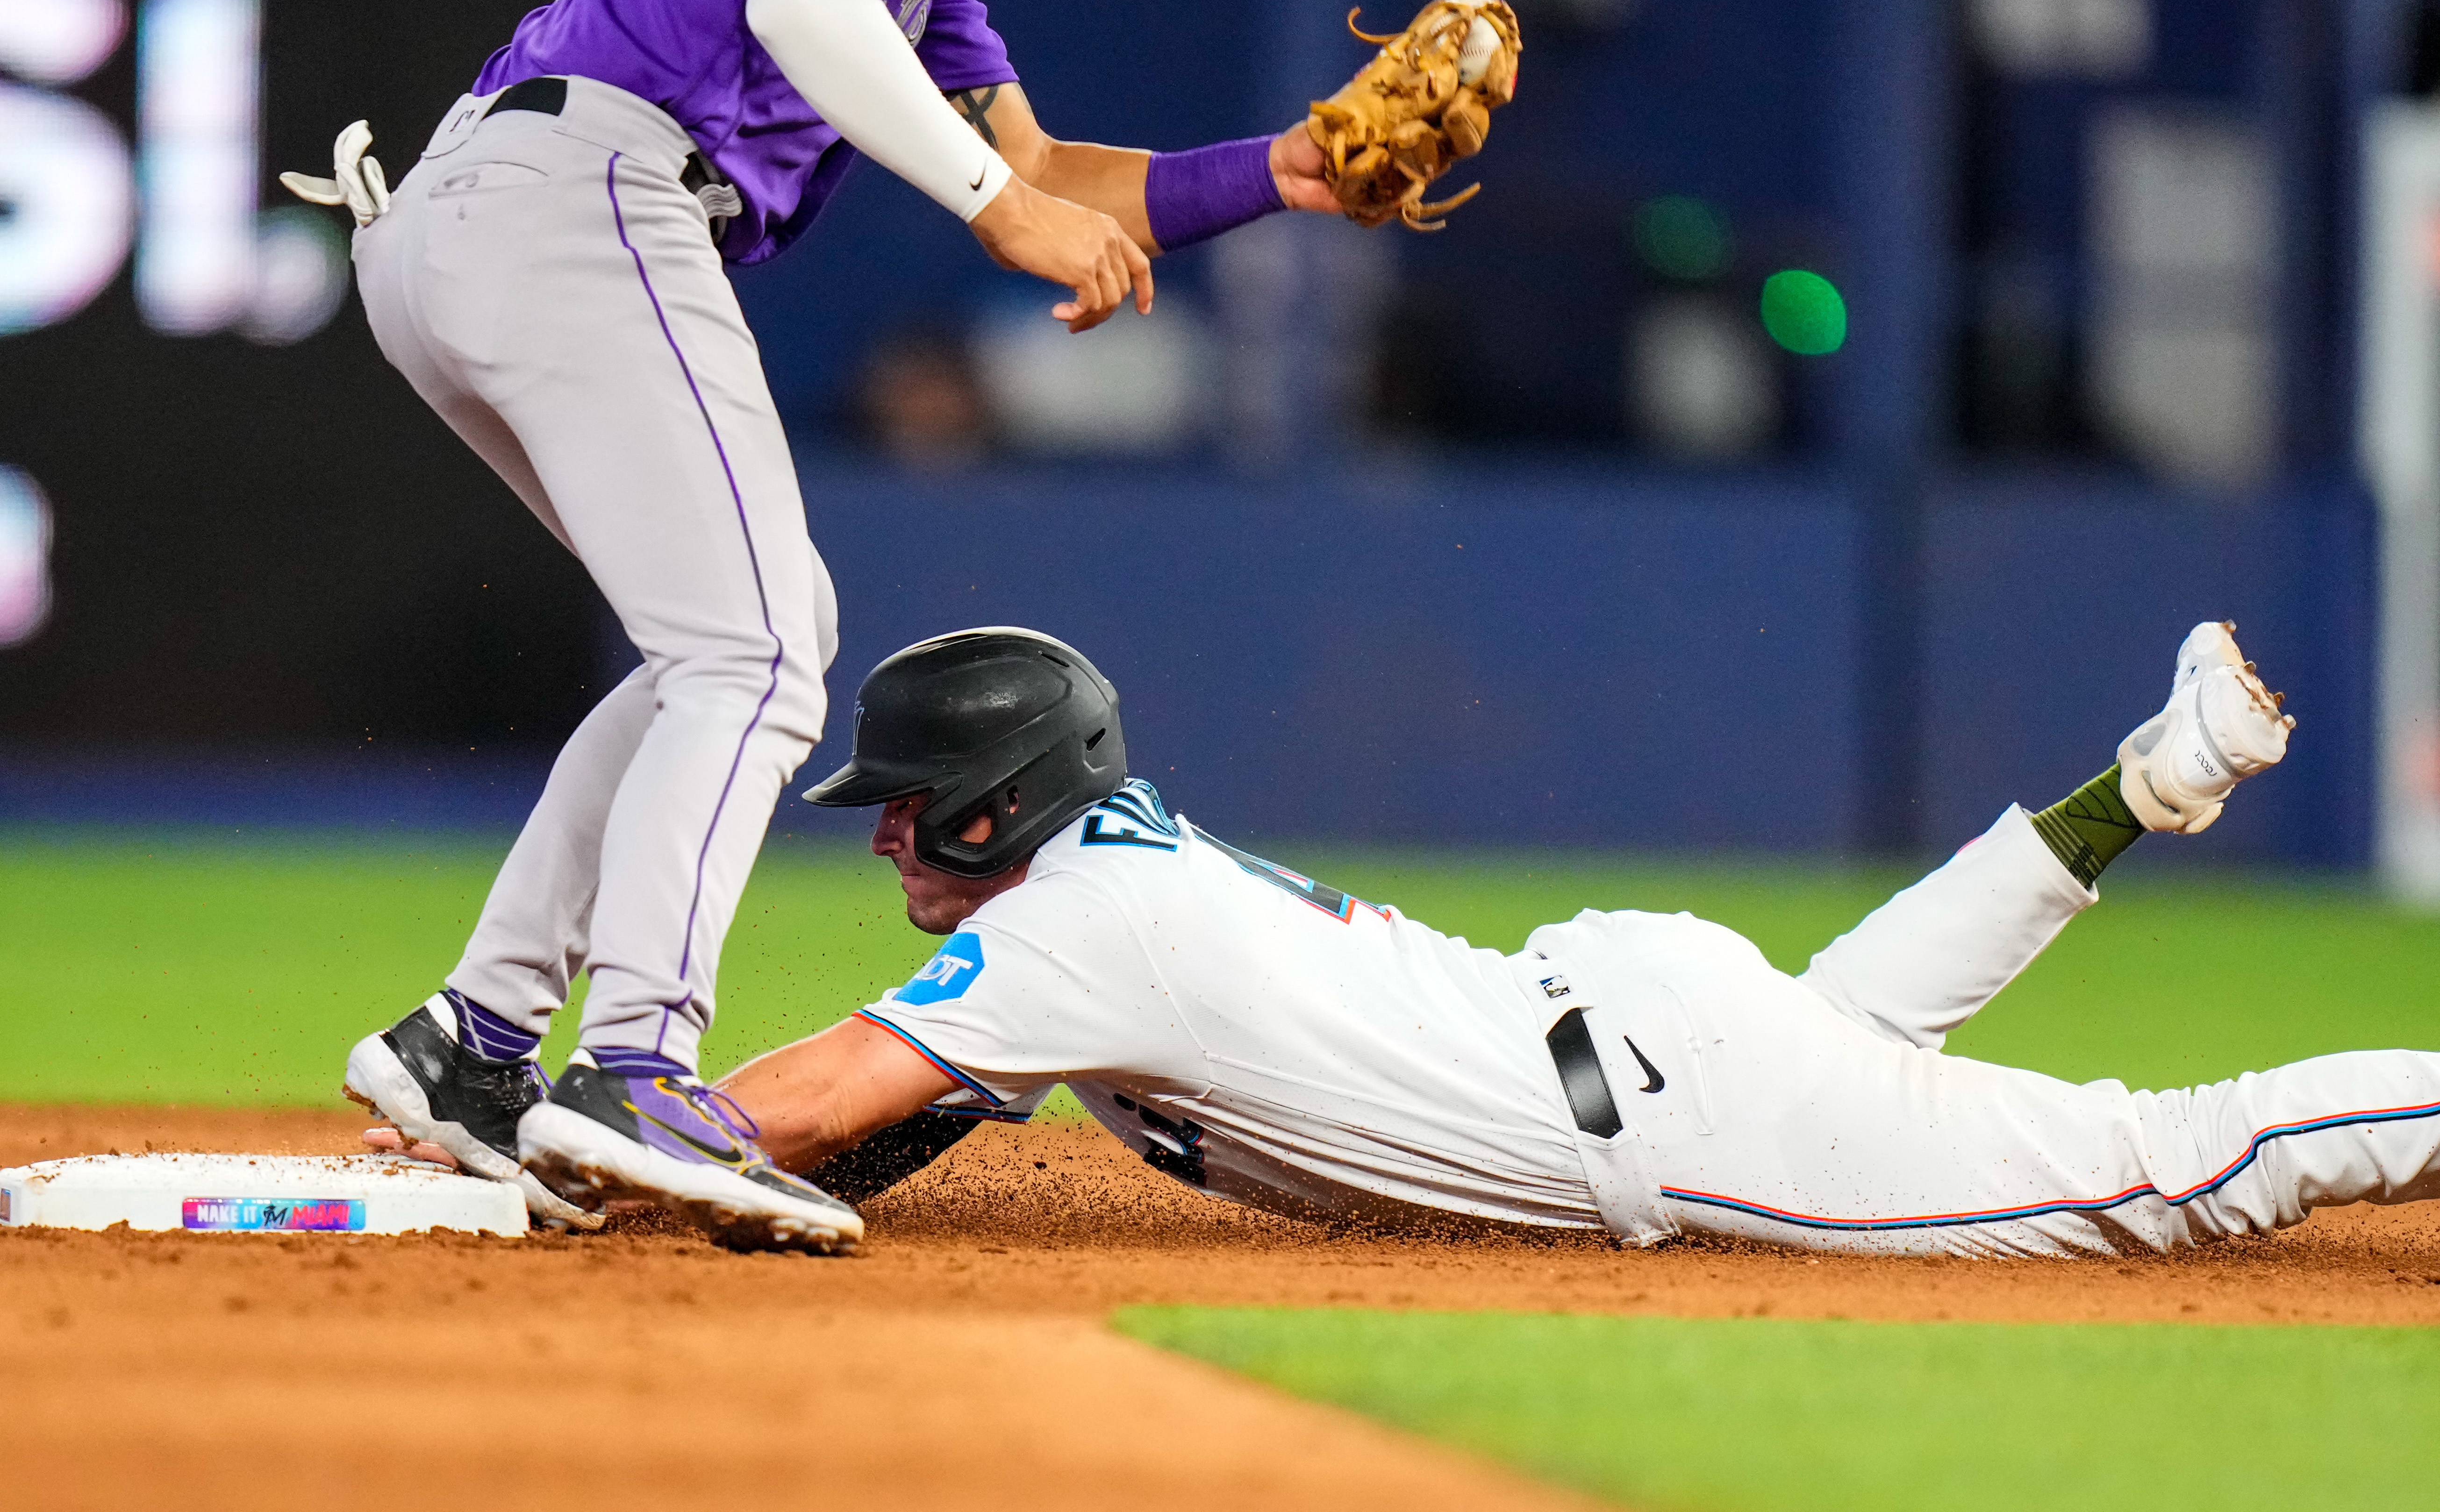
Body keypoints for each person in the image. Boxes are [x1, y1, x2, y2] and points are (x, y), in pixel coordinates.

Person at [301, 0, 1350, 1242]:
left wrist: (1280, 170)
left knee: (752, 628)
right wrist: (994, 215)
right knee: (755, 653)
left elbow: (1036, 167)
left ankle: (477, 1035)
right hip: (586, 193)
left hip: (487, 215)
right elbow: (803, 4)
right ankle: (634, 1067)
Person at [536, 618, 2438, 1257]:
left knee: (2175, 1167)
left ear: (1006, 798)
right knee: (1856, 1030)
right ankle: (2150, 782)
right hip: (1638, 1017)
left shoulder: (1079, 926)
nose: (883, 829)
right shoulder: (1100, 888)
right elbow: (903, 1111)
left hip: (1675, 1114)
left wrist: (625, 1134)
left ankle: (2180, 813)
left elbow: (791, 1108)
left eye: (912, 797)